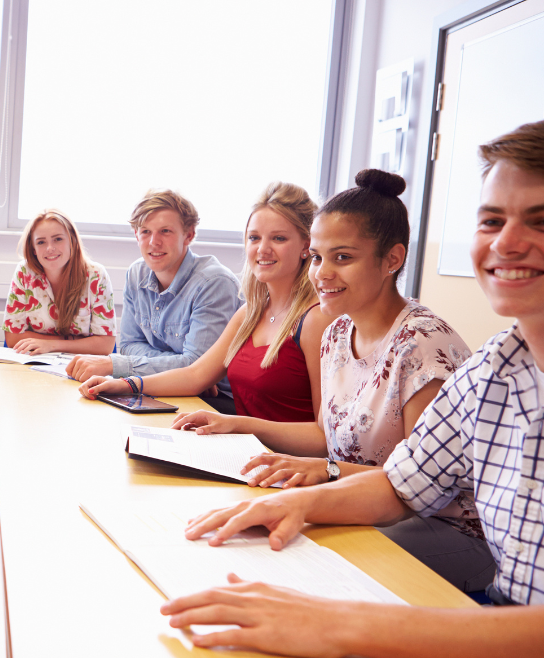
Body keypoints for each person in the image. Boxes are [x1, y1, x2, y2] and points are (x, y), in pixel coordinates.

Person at [162, 122, 544, 657]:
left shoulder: (426, 346)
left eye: (539, 221)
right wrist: (298, 503)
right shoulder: (494, 367)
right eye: (491, 220)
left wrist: (349, 625)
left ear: (392, 260)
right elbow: (401, 485)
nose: (506, 243)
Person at [172, 169, 493, 591]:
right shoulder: (337, 334)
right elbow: (327, 435)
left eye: (343, 258)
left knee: (310, 559)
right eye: (318, 257)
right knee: (260, 538)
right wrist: (246, 429)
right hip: (362, 500)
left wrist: (324, 474)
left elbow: (420, 489)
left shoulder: (422, 345)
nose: (322, 273)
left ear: (392, 260)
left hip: (448, 529)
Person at [78, 182, 335, 423]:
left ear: (306, 245)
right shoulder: (250, 314)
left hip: (279, 459)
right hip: (247, 447)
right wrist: (123, 383)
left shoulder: (315, 319)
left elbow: (324, 438)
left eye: (278, 238)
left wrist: (236, 426)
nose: (262, 249)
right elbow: (195, 375)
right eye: (254, 238)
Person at [64, 190, 241, 414]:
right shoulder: (136, 273)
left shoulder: (214, 282)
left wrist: (115, 364)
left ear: (189, 235)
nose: (153, 242)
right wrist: (179, 369)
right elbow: (128, 345)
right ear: (136, 235)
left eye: (165, 231)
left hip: (217, 400)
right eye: (145, 232)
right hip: (159, 387)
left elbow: (197, 368)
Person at [2, 210, 116, 355]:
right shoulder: (24, 272)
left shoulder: (97, 275)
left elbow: (105, 345)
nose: (50, 248)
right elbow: (13, 337)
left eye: (58, 239)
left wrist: (51, 344)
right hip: (33, 360)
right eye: (41, 242)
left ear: (72, 241)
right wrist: (74, 341)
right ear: (34, 249)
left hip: (82, 365)